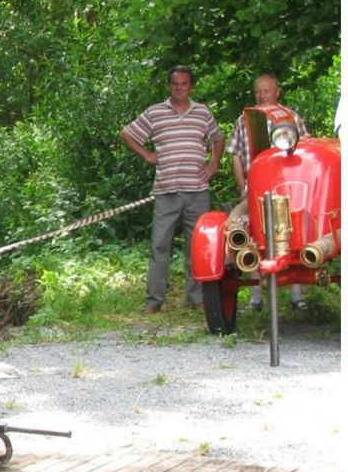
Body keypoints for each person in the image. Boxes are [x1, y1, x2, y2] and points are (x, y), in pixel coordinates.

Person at [120, 66, 224, 313]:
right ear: (169, 86)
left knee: (197, 246)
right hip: (166, 191)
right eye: (175, 84)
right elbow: (126, 134)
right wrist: (146, 154)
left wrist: (213, 164)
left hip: (197, 190)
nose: (179, 88)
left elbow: (218, 139)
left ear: (191, 86)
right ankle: (154, 301)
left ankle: (196, 298)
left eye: (184, 84)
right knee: (159, 245)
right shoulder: (156, 113)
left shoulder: (202, 112)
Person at [228, 72, 308, 310]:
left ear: (277, 91)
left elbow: (304, 150)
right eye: (258, 91)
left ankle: (297, 294)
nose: (262, 95)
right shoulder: (245, 120)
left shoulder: (291, 117)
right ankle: (255, 295)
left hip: (288, 190)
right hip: (254, 191)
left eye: (266, 90)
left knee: (295, 231)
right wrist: (244, 186)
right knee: (246, 231)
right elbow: (235, 156)